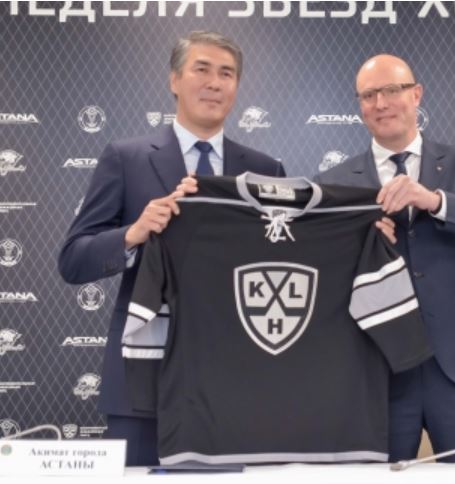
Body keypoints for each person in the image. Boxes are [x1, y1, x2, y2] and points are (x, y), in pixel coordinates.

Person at [58, 31, 285, 466]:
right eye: (202, 69)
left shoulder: (265, 170)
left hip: (236, 379)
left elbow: (282, 262)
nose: (214, 82)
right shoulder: (125, 157)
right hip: (142, 377)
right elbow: (73, 260)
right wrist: (134, 232)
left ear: (237, 87)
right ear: (174, 80)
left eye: (227, 74)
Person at [315, 54, 455, 462]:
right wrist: (357, 246)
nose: (381, 103)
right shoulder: (334, 181)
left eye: (391, 90)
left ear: (416, 95)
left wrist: (436, 201)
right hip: (376, 369)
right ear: (360, 106)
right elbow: (319, 271)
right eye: (369, 95)